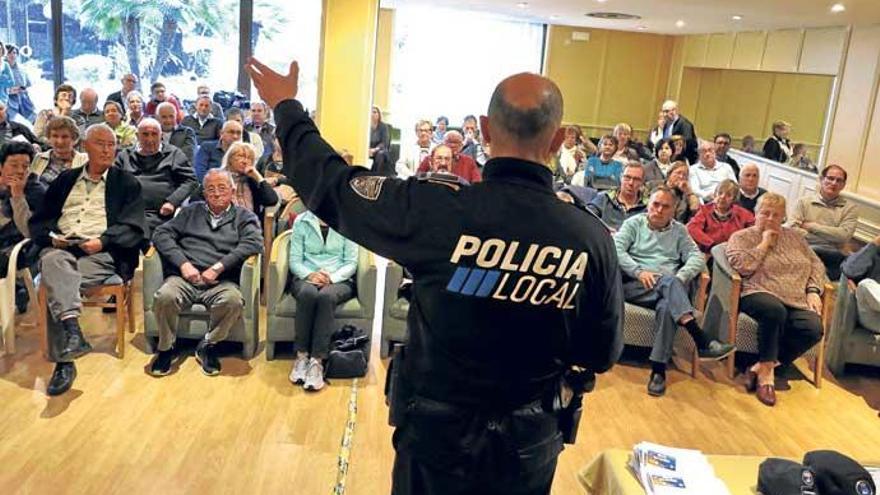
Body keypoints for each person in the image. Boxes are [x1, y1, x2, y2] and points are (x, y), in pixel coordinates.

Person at [248, 57, 623, 495]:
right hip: (528, 440)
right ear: (558, 139)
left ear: (484, 130)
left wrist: (287, 106)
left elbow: (333, 186)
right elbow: (600, 352)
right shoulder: (590, 237)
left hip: (436, 436)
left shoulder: (435, 209)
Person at [29, 124, 146, 396]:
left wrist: (103, 241)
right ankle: (72, 335)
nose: (107, 149)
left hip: (103, 253)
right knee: (53, 262)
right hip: (63, 249)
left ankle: (65, 360)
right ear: (85, 147)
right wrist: (52, 238)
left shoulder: (126, 183)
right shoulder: (65, 180)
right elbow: (40, 220)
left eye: (111, 144)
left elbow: (134, 226)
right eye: (100, 144)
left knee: (54, 280)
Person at [615, 186, 735, 397]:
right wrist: (638, 271)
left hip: (666, 288)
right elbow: (616, 249)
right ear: (649, 203)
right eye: (655, 204)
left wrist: (679, 279)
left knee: (667, 305)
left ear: (674, 210)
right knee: (670, 289)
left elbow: (696, 258)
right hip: (634, 286)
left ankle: (658, 370)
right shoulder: (633, 224)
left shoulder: (680, 230)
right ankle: (701, 339)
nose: (659, 210)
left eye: (665, 206)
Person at [149, 168, 263, 376]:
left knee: (233, 301)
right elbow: (161, 233)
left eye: (222, 188)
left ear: (232, 190)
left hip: (221, 281)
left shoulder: (244, 216)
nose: (217, 194)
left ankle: (209, 344)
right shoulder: (191, 211)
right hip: (185, 277)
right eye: (211, 189)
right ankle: (166, 347)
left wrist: (218, 267)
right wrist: (183, 264)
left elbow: (254, 242)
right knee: (164, 296)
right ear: (204, 193)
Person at [726, 193, 826, 407]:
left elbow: (817, 265)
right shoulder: (741, 237)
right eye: (765, 213)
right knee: (774, 310)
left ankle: (761, 366)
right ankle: (766, 379)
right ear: (755, 214)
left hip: (796, 298)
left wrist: (813, 290)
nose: (770, 219)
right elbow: (742, 267)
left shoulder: (796, 238)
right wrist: (764, 244)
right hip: (757, 292)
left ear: (783, 217)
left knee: (814, 327)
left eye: (776, 215)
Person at [288, 210, 359, 391]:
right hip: (306, 276)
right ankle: (302, 356)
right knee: (308, 295)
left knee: (326, 297)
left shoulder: (348, 221)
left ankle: (317, 361)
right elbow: (295, 260)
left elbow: (351, 261)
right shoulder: (302, 222)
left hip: (338, 278)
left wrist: (332, 278)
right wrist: (310, 274)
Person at [114, 118, 197, 230]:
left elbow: (191, 180)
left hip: (160, 214)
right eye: (145, 134)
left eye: (154, 134)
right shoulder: (124, 156)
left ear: (161, 135)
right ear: (137, 136)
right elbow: (112, 182)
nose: (150, 139)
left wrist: (172, 202)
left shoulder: (174, 154)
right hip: (128, 212)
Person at [788, 164, 858, 280]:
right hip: (804, 250)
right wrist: (832, 238)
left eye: (839, 180)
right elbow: (792, 230)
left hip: (833, 255)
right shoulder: (803, 203)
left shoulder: (850, 208)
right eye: (830, 178)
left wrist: (812, 227)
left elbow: (844, 236)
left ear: (843, 185)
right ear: (821, 179)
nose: (834, 183)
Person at [0, 142, 46, 311]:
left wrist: (18, 196)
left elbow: (29, 231)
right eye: (13, 165)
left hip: (18, 249)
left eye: (25, 166)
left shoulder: (36, 190)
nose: (20, 171)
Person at [686, 180, 754, 254]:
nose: (722, 197)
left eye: (728, 195)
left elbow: (754, 229)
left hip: (734, 252)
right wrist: (711, 244)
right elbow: (692, 228)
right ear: (715, 195)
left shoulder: (742, 213)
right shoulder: (705, 210)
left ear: (734, 199)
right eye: (720, 193)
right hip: (708, 252)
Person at [218, 141, 279, 219]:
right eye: (240, 156)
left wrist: (258, 177)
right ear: (230, 159)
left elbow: (272, 200)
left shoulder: (252, 181)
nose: (245, 161)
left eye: (249, 158)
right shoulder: (217, 178)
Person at [587, 161, 649, 232]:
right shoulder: (605, 198)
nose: (631, 183)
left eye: (636, 179)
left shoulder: (648, 206)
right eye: (627, 177)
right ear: (621, 178)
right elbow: (587, 217)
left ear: (642, 183)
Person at [841, 233, 880, 333]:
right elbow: (849, 270)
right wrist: (874, 244)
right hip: (873, 315)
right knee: (865, 284)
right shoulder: (872, 253)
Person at [31, 116, 88, 185]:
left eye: (65, 137)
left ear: (74, 139)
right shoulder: (38, 158)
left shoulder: (85, 160)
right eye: (55, 136)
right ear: (49, 138)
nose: (60, 141)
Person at [416, 131, 482, 183]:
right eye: (449, 142)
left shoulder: (469, 161)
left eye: (456, 142)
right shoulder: (430, 159)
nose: (452, 145)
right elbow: (417, 178)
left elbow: (477, 184)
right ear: (442, 143)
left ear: (462, 145)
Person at [5, 44, 36, 122]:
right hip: (7, 101)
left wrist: (22, 89)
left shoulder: (21, 69)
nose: (12, 55)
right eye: (9, 53)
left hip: (23, 99)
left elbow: (27, 84)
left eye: (14, 53)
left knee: (32, 119)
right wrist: (9, 91)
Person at [660, 100, 698, 164]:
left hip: (682, 160)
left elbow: (688, 143)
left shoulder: (685, 124)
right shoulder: (667, 124)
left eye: (666, 111)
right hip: (670, 159)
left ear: (674, 111)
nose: (664, 114)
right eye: (663, 112)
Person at [369, 105, 392, 175]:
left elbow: (385, 142)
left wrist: (375, 149)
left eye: (375, 112)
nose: (373, 114)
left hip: (381, 149)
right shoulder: (366, 126)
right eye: (371, 112)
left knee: (380, 155)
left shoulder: (383, 126)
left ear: (379, 114)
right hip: (369, 149)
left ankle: (376, 175)